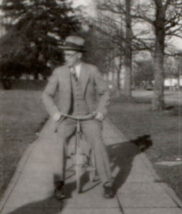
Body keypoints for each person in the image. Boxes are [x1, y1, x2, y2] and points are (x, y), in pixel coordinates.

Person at [42, 35, 114, 200]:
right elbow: (46, 95)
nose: (65, 58)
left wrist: (101, 112)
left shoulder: (92, 70)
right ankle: (59, 184)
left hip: (89, 116)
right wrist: (54, 112)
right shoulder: (59, 72)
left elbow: (105, 92)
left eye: (69, 54)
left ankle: (108, 184)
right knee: (59, 144)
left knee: (98, 144)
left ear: (79, 55)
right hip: (66, 117)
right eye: (65, 55)